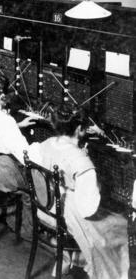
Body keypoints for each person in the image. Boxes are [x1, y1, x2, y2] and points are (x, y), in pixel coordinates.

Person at [30, 106, 128, 279]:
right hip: (67, 214)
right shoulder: (81, 160)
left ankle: (70, 259)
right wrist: (94, 177)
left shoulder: (46, 143)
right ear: (79, 129)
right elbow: (88, 209)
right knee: (121, 225)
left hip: (46, 207)